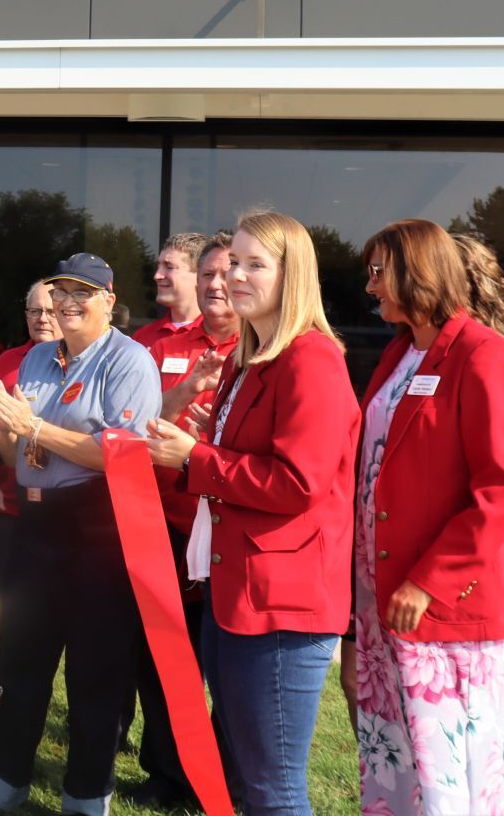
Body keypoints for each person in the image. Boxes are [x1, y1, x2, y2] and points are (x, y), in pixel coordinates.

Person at [147, 211, 360, 816]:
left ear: (292, 276)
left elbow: (298, 482)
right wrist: (198, 441)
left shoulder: (310, 359)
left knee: (274, 789)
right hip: (239, 595)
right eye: (231, 262)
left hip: (281, 608)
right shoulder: (254, 356)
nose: (234, 276)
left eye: (253, 264)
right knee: (247, 778)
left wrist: (198, 458)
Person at [0, 253, 163, 816]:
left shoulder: (130, 361)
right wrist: (7, 427)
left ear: (108, 298)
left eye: (83, 293)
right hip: (35, 525)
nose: (68, 304)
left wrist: (34, 426)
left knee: (94, 676)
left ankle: (84, 801)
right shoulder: (39, 360)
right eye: (61, 293)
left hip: (96, 528)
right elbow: (16, 452)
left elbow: (120, 458)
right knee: (21, 667)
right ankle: (3, 791)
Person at [350, 221, 504, 814]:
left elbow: (503, 487)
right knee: (395, 763)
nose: (369, 285)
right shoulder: (403, 352)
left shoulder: (481, 354)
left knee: (449, 772)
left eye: (379, 272)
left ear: (416, 271)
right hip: (384, 600)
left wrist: (430, 582)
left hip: (442, 608)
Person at [127, 232, 243, 810]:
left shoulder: (263, 347)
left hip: (231, 527)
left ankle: (221, 777)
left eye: (228, 275)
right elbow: (138, 428)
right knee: (165, 656)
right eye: (210, 276)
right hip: (169, 524)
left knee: (225, 665)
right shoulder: (164, 343)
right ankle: (168, 772)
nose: (217, 286)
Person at [0, 280, 60, 721]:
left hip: (72, 511)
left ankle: (97, 708)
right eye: (32, 311)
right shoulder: (8, 360)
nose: (42, 318)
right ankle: (5, 687)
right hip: (15, 503)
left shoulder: (89, 361)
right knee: (11, 601)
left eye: (49, 309)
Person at [131, 232, 210, 348]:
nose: (157, 276)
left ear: (199, 275)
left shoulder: (222, 338)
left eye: (169, 267)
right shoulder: (142, 338)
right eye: (158, 266)